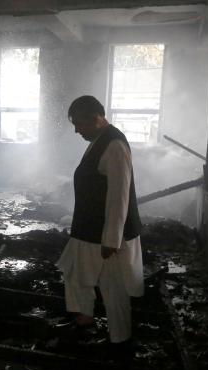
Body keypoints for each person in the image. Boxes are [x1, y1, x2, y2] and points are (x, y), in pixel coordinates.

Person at [56, 95, 144, 349]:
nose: (76, 130)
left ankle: (120, 339)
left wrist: (111, 240)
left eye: (79, 124)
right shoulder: (98, 140)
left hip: (106, 235)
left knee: (112, 287)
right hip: (87, 230)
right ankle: (84, 318)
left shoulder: (114, 145)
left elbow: (119, 196)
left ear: (96, 119)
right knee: (75, 272)